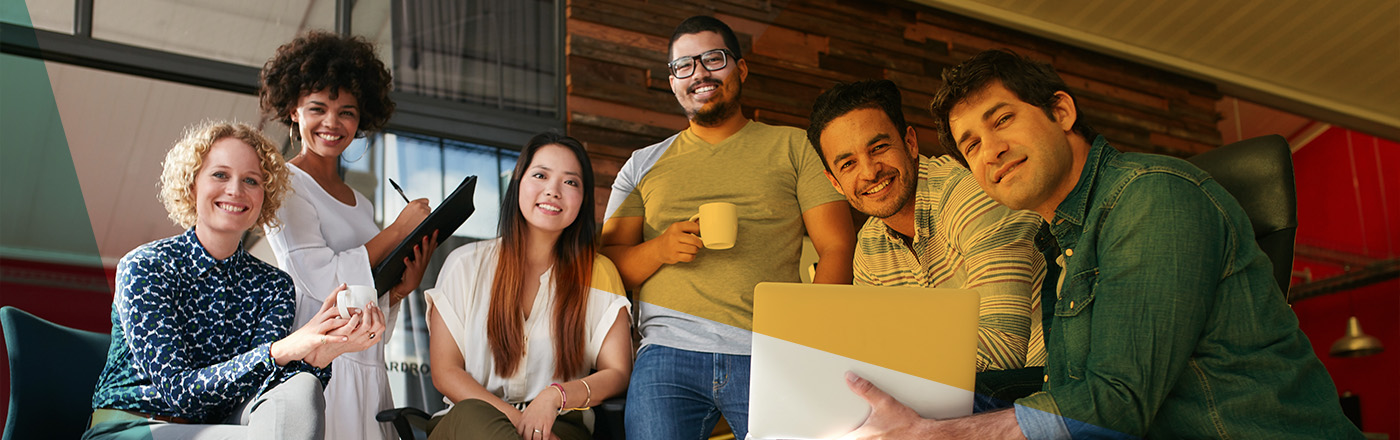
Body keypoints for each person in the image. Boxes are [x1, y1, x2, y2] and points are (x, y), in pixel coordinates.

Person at [838, 49, 1362, 439]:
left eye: (1002, 120)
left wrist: (935, 433)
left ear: (1061, 112)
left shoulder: (1152, 196)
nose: (991, 150)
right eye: (971, 144)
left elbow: (1115, 401)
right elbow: (1073, 399)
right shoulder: (1059, 241)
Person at [599, 15, 856, 440]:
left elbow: (837, 247)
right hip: (667, 353)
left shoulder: (794, 146)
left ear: (741, 69)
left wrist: (806, 345)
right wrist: (660, 249)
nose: (699, 73)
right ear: (673, 82)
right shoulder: (641, 164)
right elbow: (605, 268)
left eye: (713, 59)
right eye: (684, 65)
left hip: (770, 350)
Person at [84, 121, 383, 440]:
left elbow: (264, 392)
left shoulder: (274, 286)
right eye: (220, 175)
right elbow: (180, 392)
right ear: (191, 185)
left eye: (251, 180)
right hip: (132, 427)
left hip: (223, 429)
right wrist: (281, 349)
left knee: (302, 386)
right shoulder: (146, 267)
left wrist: (321, 353)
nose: (235, 191)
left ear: (264, 196)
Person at [259, 31, 439, 440]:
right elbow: (323, 280)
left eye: (347, 112)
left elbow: (363, 302)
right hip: (321, 364)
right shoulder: (285, 184)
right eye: (318, 108)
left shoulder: (361, 202)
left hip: (367, 364)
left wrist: (397, 292)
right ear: (293, 110)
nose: (332, 123)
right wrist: (397, 231)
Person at [806, 79, 1047, 378]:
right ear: (834, 182)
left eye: (879, 148)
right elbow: (876, 350)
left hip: (1040, 389)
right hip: (952, 396)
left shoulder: (969, 195)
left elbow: (1003, 348)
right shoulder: (868, 248)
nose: (869, 172)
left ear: (910, 142)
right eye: (848, 164)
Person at [424, 133, 632, 440]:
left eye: (570, 182)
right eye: (540, 175)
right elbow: (446, 372)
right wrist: (522, 421)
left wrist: (555, 397)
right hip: (468, 425)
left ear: (584, 198)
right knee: (472, 413)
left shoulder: (598, 272)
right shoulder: (465, 265)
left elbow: (616, 373)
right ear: (518, 183)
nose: (553, 190)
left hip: (560, 426)